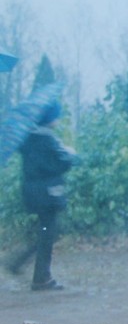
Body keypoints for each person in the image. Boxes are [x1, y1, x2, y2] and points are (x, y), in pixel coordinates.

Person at [6, 99, 78, 290]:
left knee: (45, 232)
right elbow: (61, 164)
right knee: (48, 233)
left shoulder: (27, 139)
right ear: (48, 118)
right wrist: (70, 154)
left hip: (31, 193)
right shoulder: (48, 139)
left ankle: (24, 265)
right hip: (48, 194)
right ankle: (39, 277)